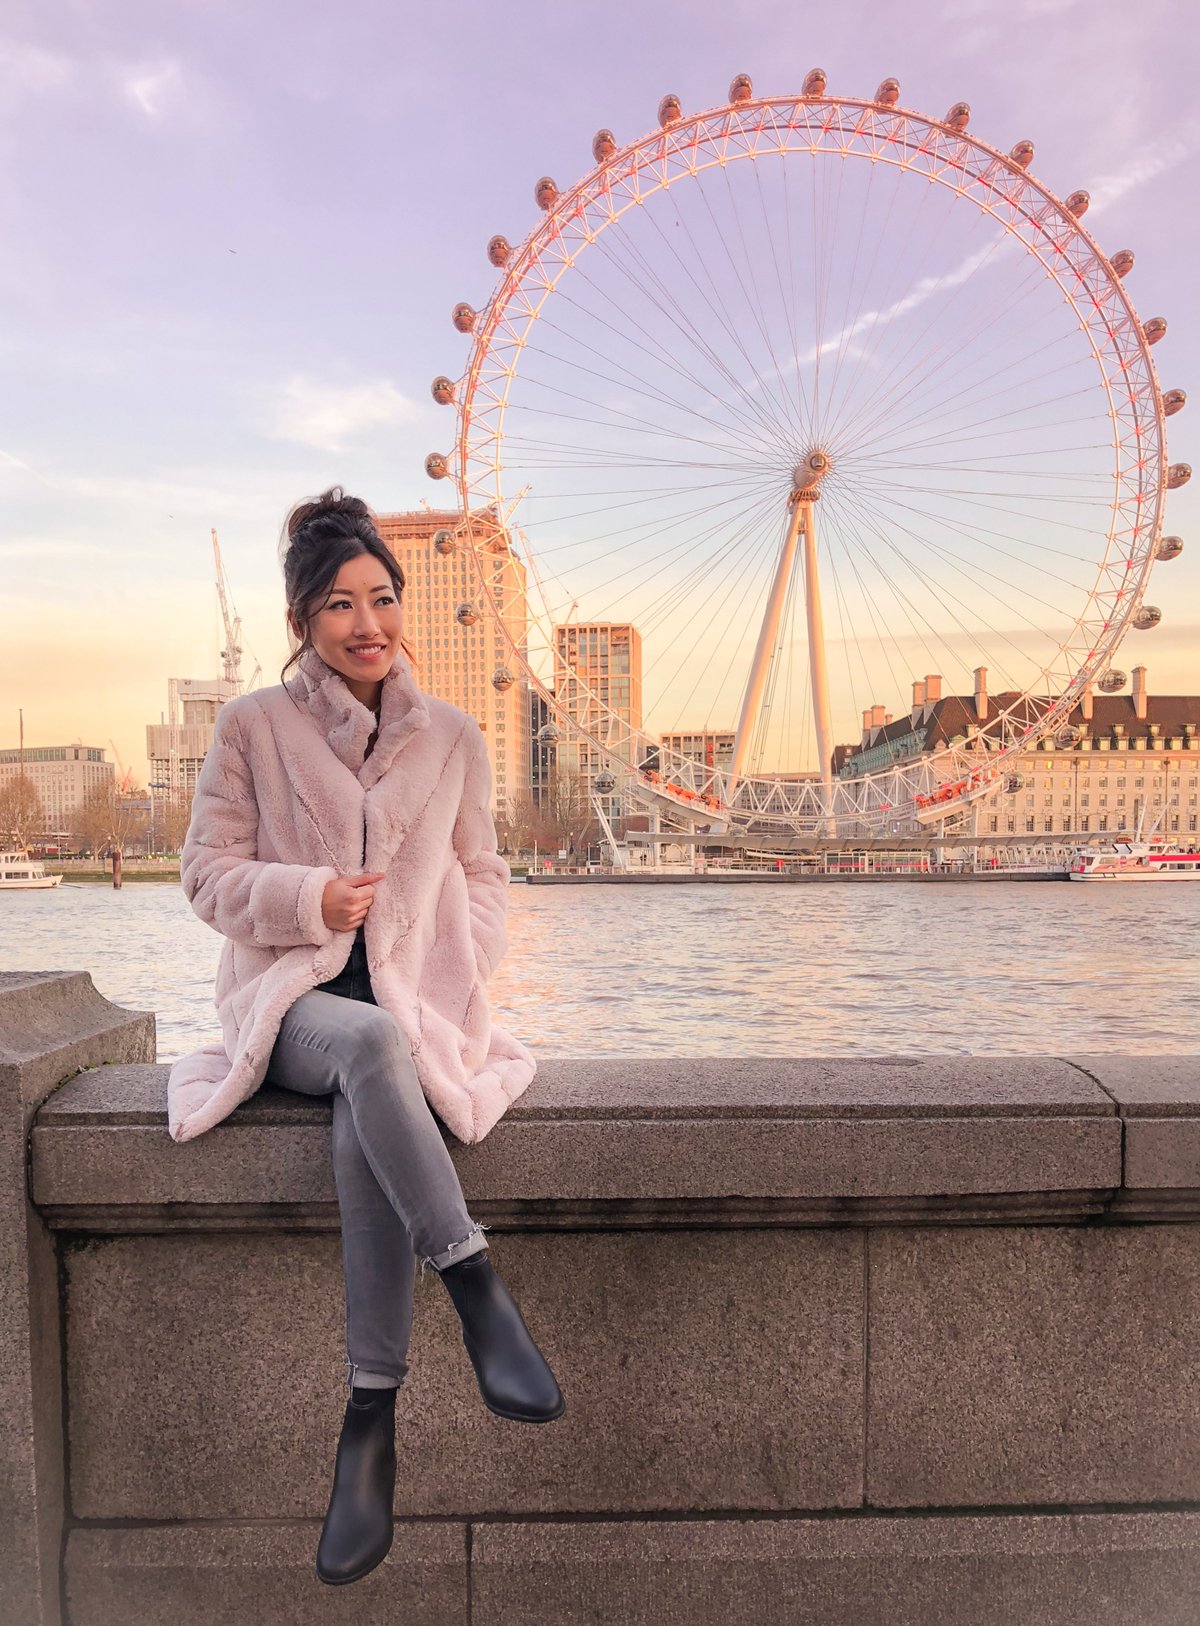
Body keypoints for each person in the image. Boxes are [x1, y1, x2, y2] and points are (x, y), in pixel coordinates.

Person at [167, 487, 564, 1587]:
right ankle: (478, 1291)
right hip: (290, 1004)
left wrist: (456, 962)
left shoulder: (451, 736)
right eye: (339, 604)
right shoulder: (252, 725)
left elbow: (483, 873)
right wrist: (310, 902)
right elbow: (205, 875)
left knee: (369, 1106)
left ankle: (369, 1431)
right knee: (364, 1054)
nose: (367, 623)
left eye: (381, 598)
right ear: (302, 620)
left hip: (403, 1008)